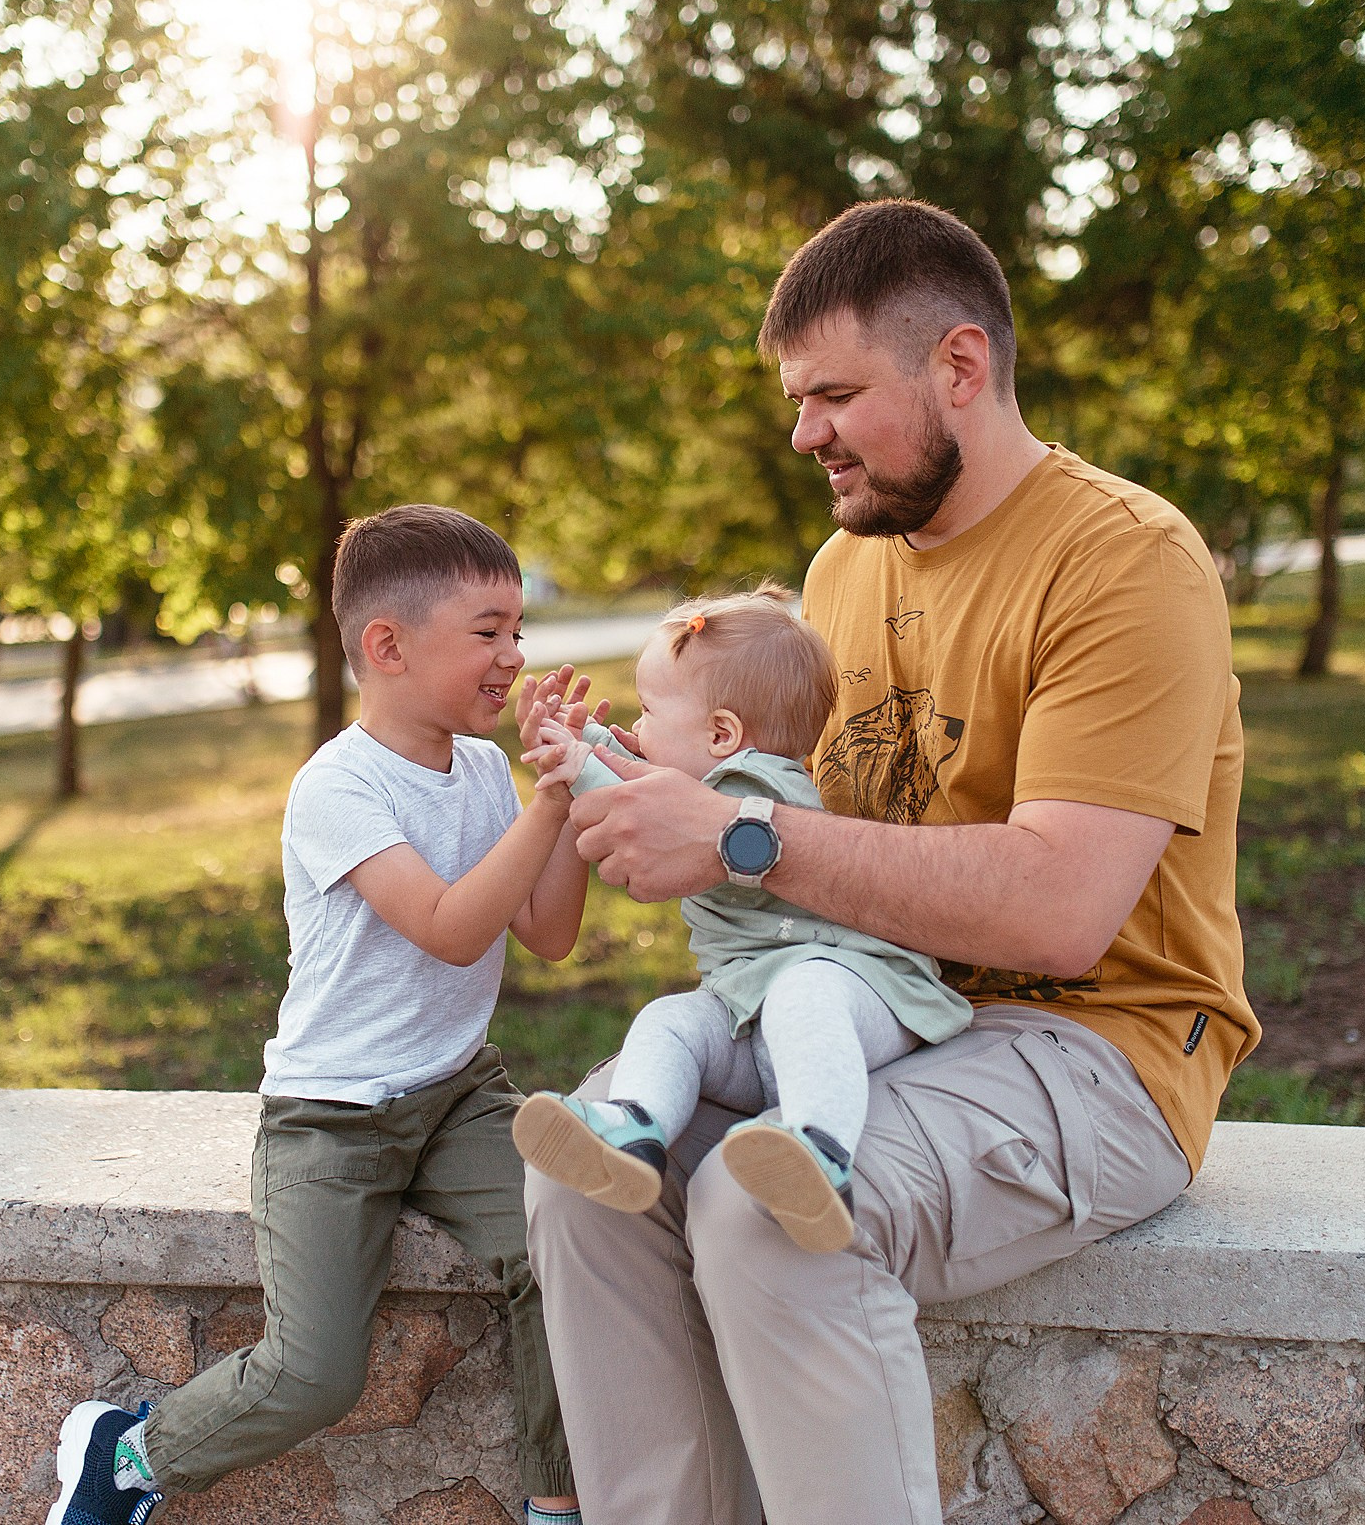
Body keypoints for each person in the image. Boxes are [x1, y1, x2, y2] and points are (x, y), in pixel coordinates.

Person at [527, 199, 1256, 1524]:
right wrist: (651, 792)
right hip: (880, 1016)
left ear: (957, 370)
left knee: (774, 1215)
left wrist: (742, 837)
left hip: (1095, 1045)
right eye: (795, 399)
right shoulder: (839, 572)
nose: (802, 431)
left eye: (832, 395)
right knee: (585, 1172)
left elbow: (1057, 909)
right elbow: (800, 817)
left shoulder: (1124, 562)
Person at [49, 505, 589, 1525]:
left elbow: (547, 929)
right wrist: (551, 805)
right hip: (330, 1114)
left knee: (565, 1245)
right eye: (488, 631)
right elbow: (447, 927)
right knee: (315, 1369)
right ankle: (131, 1451)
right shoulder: (335, 787)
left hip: (458, 1089)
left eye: (518, 629)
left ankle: (554, 1502)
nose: (514, 656)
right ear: (385, 644)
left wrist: (573, 788)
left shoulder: (481, 767)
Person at [512, 587, 974, 1254]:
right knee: (667, 1019)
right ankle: (634, 1129)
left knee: (803, 992)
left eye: (647, 709)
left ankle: (819, 1152)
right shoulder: (708, 782)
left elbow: (632, 796)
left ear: (723, 736)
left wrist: (581, 764)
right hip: (748, 1010)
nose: (636, 729)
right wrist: (576, 736)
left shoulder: (760, 787)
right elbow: (636, 777)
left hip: (859, 995)